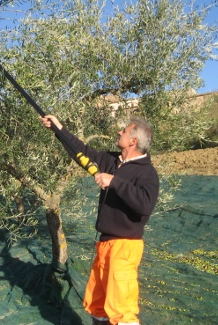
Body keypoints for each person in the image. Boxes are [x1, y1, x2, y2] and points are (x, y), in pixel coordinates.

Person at [40, 115, 159, 325]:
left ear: (133, 141)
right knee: (97, 305)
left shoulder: (147, 173)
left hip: (125, 247)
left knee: (122, 312)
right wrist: (59, 129)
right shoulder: (112, 161)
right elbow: (82, 152)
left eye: (124, 131)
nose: (119, 132)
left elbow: (145, 204)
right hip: (104, 244)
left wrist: (115, 182)